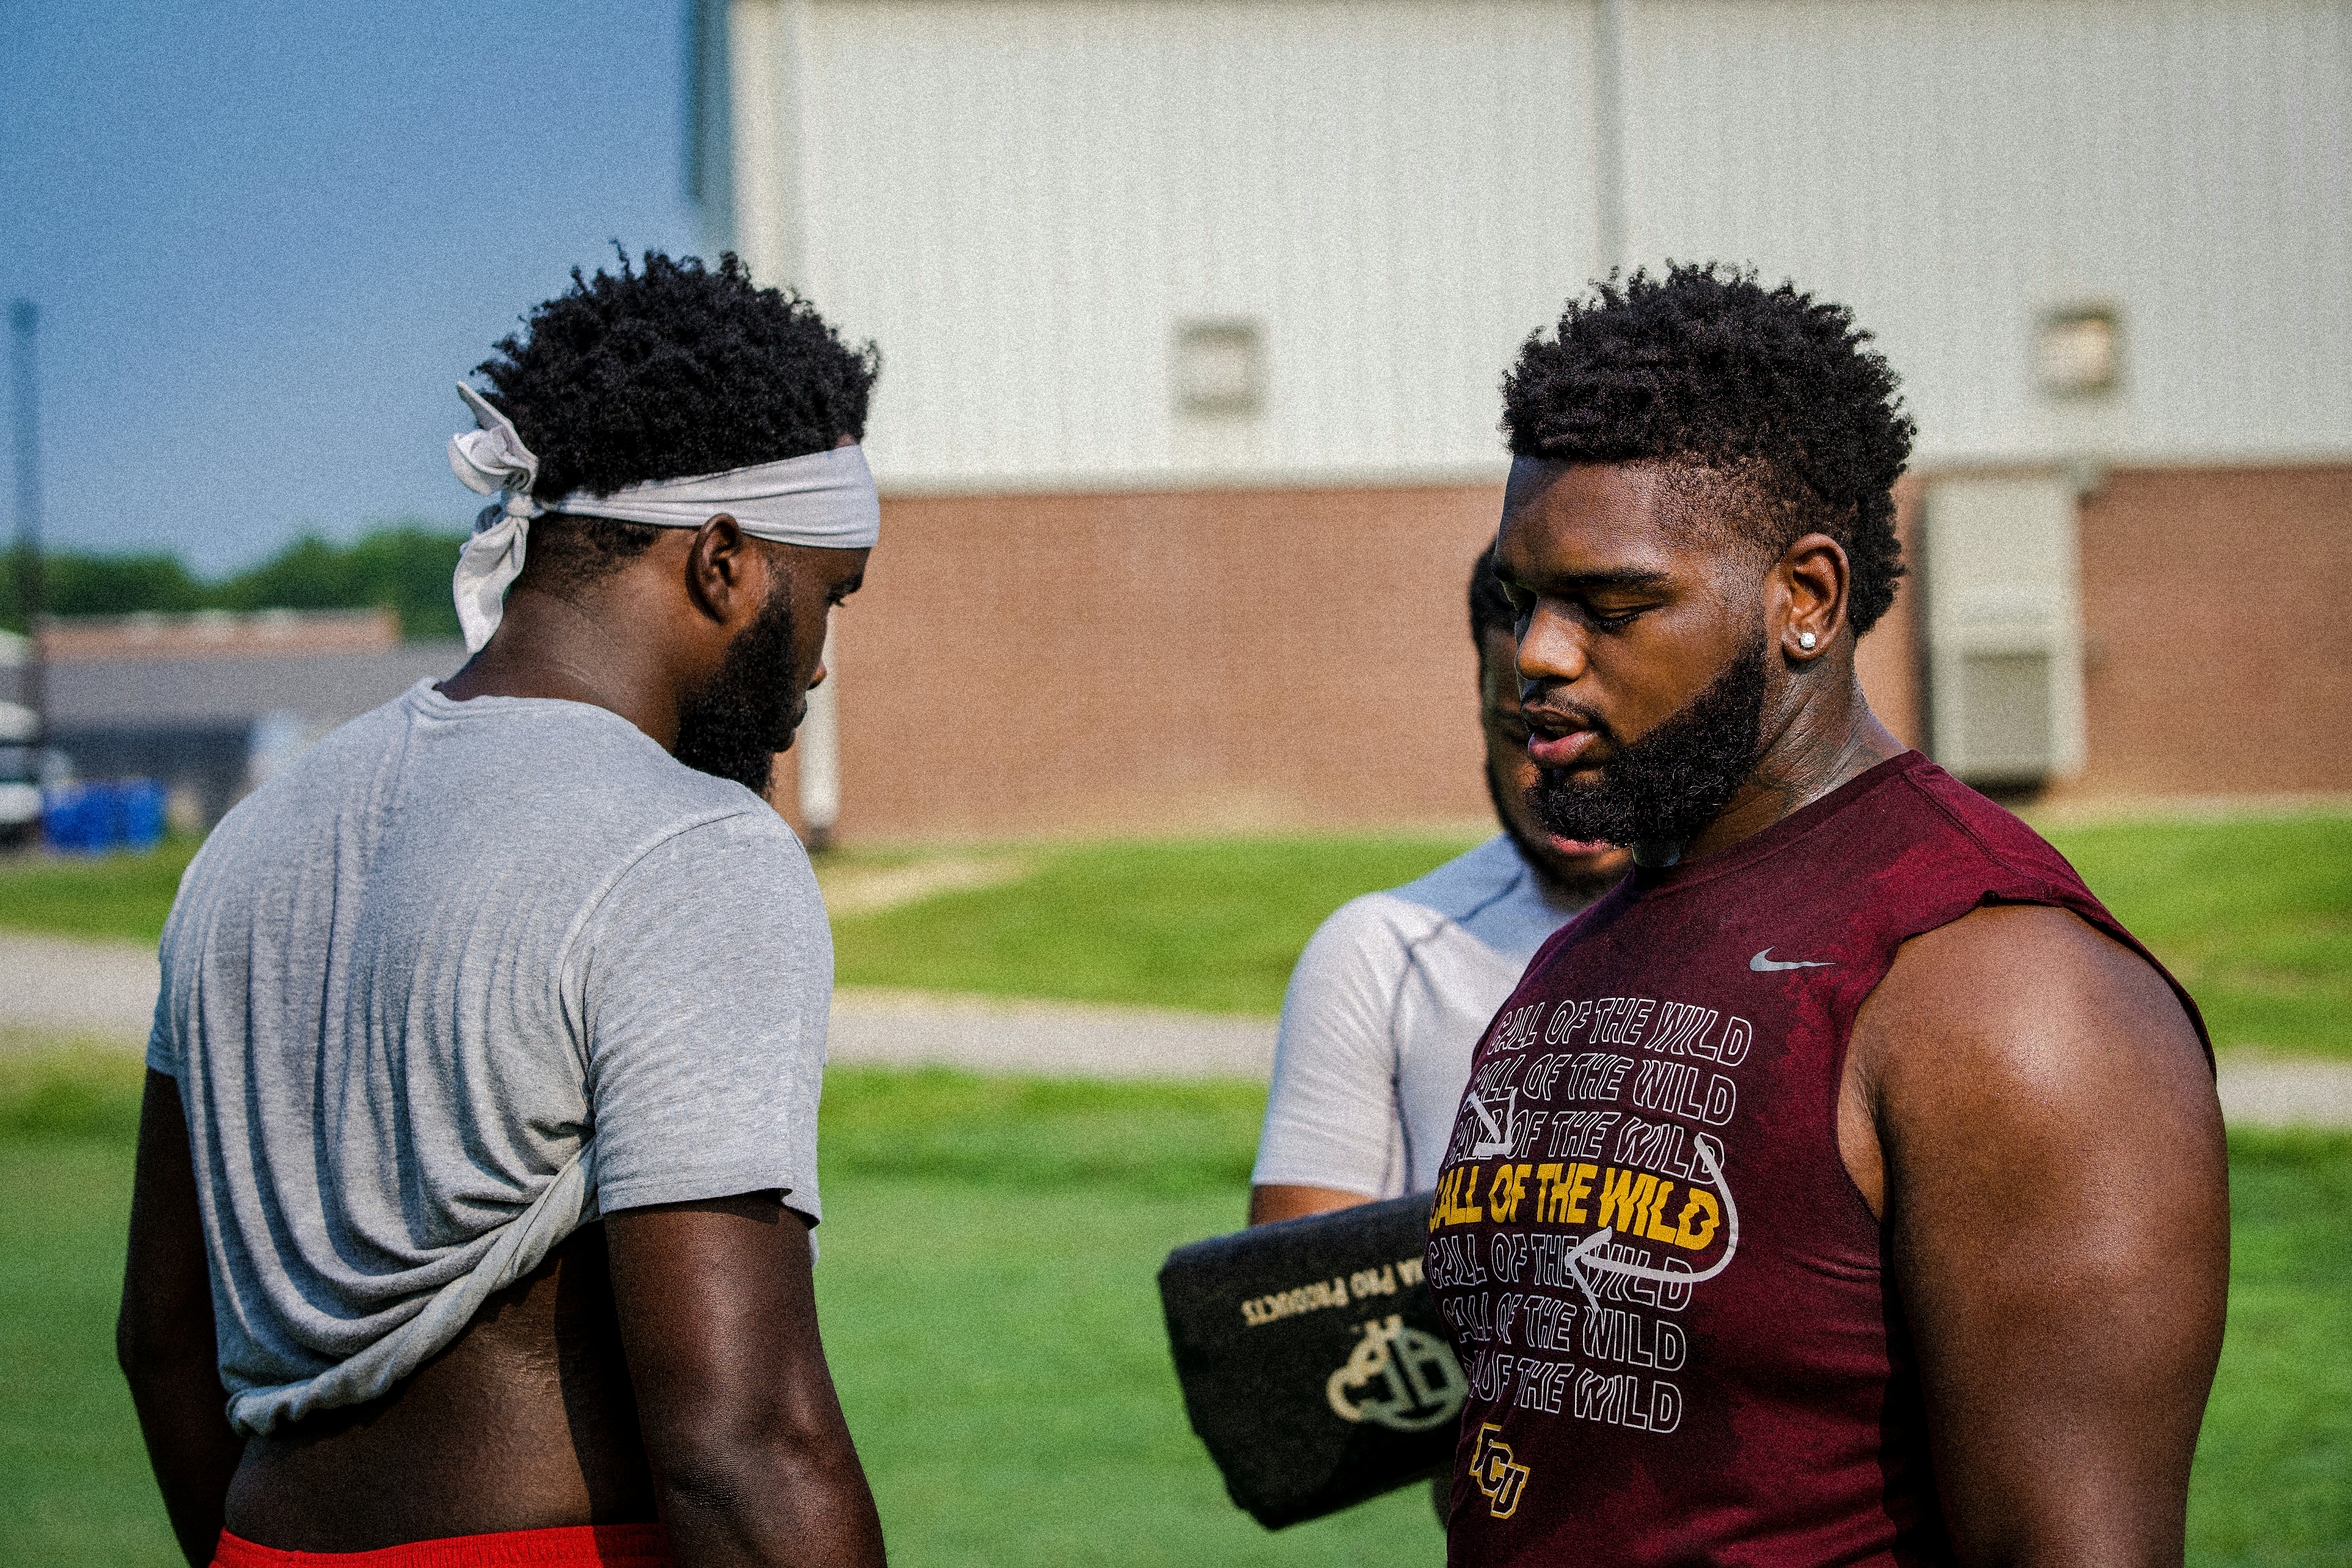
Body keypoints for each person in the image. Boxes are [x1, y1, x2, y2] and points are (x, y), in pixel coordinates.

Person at [1425, 265, 2227, 1566]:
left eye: (1612, 604)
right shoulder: (1581, 952)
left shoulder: (1999, 994)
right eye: (1523, 601)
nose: (1540, 656)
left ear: (1805, 598)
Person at [117, 252, 889, 1568]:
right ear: (722, 563)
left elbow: (163, 1338)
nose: (819, 660)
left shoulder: (248, 844)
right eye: (828, 595)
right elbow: (743, 1443)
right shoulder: (692, 848)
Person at [1249, 550, 1631, 1224]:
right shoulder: (1383, 951)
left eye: (1595, 734)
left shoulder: (1793, 935)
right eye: (1527, 732)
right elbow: (1299, 1306)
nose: (1558, 774)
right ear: (1483, 710)